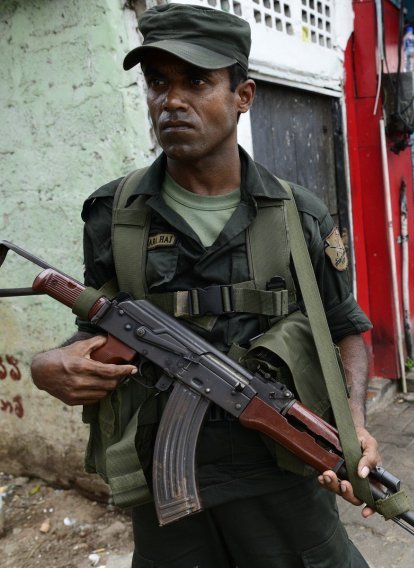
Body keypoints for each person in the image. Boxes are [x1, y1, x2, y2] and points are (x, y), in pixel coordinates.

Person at [28, 5, 378, 566]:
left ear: (244, 95)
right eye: (158, 82)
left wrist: (353, 427)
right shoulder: (113, 214)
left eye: (196, 81)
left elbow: (347, 327)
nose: (171, 100)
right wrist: (53, 364)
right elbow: (94, 327)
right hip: (167, 488)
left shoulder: (299, 216)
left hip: (280, 472)